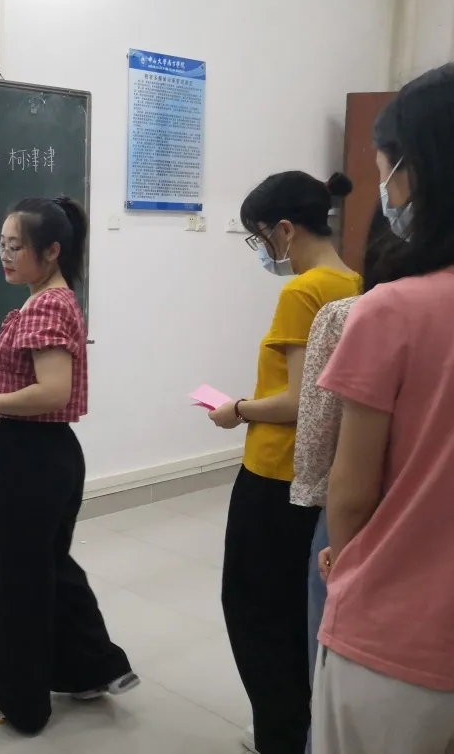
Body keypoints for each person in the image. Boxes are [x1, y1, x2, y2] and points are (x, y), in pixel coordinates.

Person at [311, 64, 454, 754]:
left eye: (387, 173)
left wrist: (346, 560)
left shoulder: (393, 311)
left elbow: (351, 492)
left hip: (401, 639)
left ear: (418, 171)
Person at [0, 196, 138, 735]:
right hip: (47, 453)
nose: (5, 255)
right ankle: (92, 666)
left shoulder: (44, 306)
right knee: (48, 567)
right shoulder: (53, 298)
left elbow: (53, 391)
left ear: (52, 250)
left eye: (15, 246)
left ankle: (20, 699)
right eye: (2, 244)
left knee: (18, 580)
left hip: (32, 457)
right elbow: (38, 384)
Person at [207, 170, 360, 754]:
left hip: (275, 474)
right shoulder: (357, 281)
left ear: (286, 230)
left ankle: (281, 735)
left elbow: (300, 401)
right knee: (298, 611)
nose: (263, 250)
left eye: (260, 236)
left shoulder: (303, 291)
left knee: (254, 612)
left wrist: (238, 409)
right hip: (322, 474)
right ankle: (299, 728)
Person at [292, 204, 398, 754]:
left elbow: (318, 439)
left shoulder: (354, 313)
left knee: (336, 677)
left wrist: (329, 525)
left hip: (364, 524)